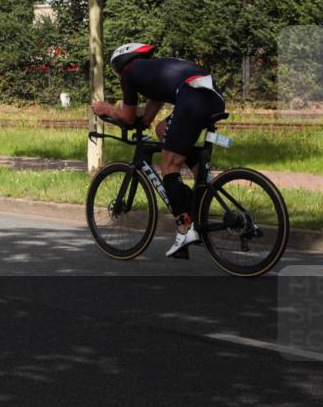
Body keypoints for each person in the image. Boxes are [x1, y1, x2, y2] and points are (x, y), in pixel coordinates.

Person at [91, 43, 226, 258]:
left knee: (168, 165)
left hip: (192, 98)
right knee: (162, 131)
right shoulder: (156, 71)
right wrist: (141, 121)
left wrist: (106, 108)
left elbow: (127, 117)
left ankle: (184, 229)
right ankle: (202, 177)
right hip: (213, 98)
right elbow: (147, 119)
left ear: (121, 63)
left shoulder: (129, 72)